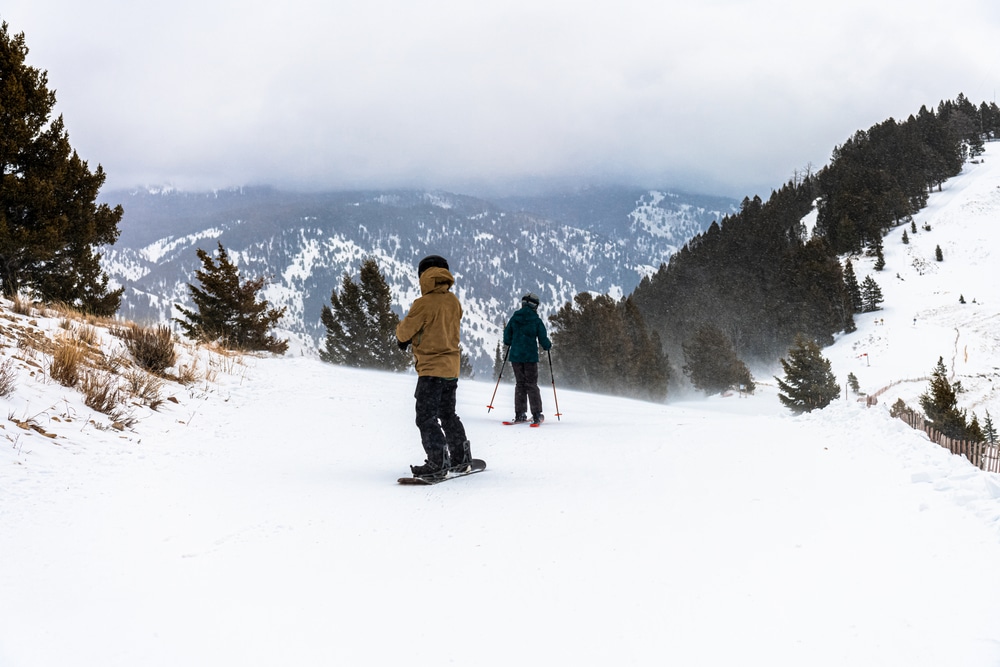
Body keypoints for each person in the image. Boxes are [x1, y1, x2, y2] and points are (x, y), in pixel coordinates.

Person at [396, 255, 472, 478]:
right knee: (448, 414)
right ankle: (461, 458)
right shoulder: (453, 301)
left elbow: (404, 332)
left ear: (424, 276)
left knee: (426, 417)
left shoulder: (424, 304)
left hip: (431, 369)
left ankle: (437, 461)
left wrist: (404, 339)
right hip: (451, 368)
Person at [502, 292, 552, 425]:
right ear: (535, 306)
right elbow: (543, 340)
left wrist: (515, 340)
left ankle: (520, 414)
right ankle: (536, 414)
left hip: (516, 357)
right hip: (530, 357)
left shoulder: (515, 318)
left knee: (520, 384)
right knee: (531, 384)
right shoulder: (536, 320)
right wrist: (548, 346)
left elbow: (507, 339)